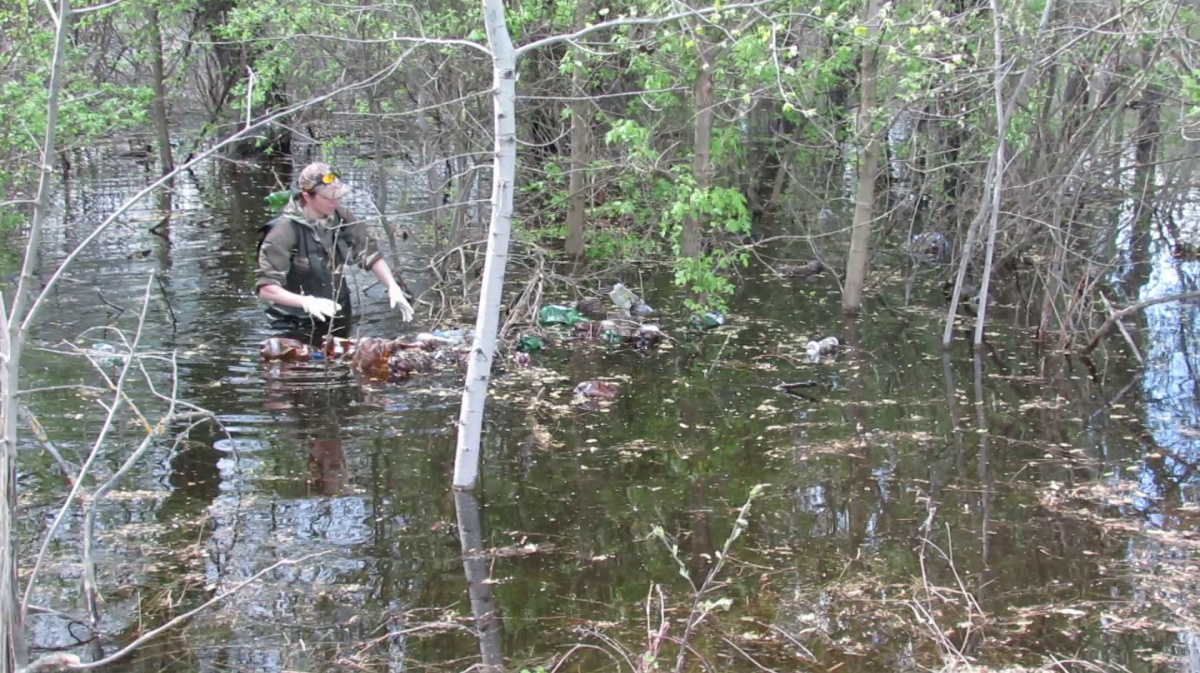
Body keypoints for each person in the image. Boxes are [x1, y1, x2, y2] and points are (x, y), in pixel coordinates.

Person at [256, 162, 413, 339]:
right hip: (294, 323)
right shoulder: (283, 230)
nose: (335, 201)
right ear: (307, 197)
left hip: (337, 314)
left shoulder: (342, 217)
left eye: (337, 196)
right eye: (329, 198)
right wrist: (307, 303)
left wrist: (392, 285)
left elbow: (369, 253)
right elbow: (266, 288)